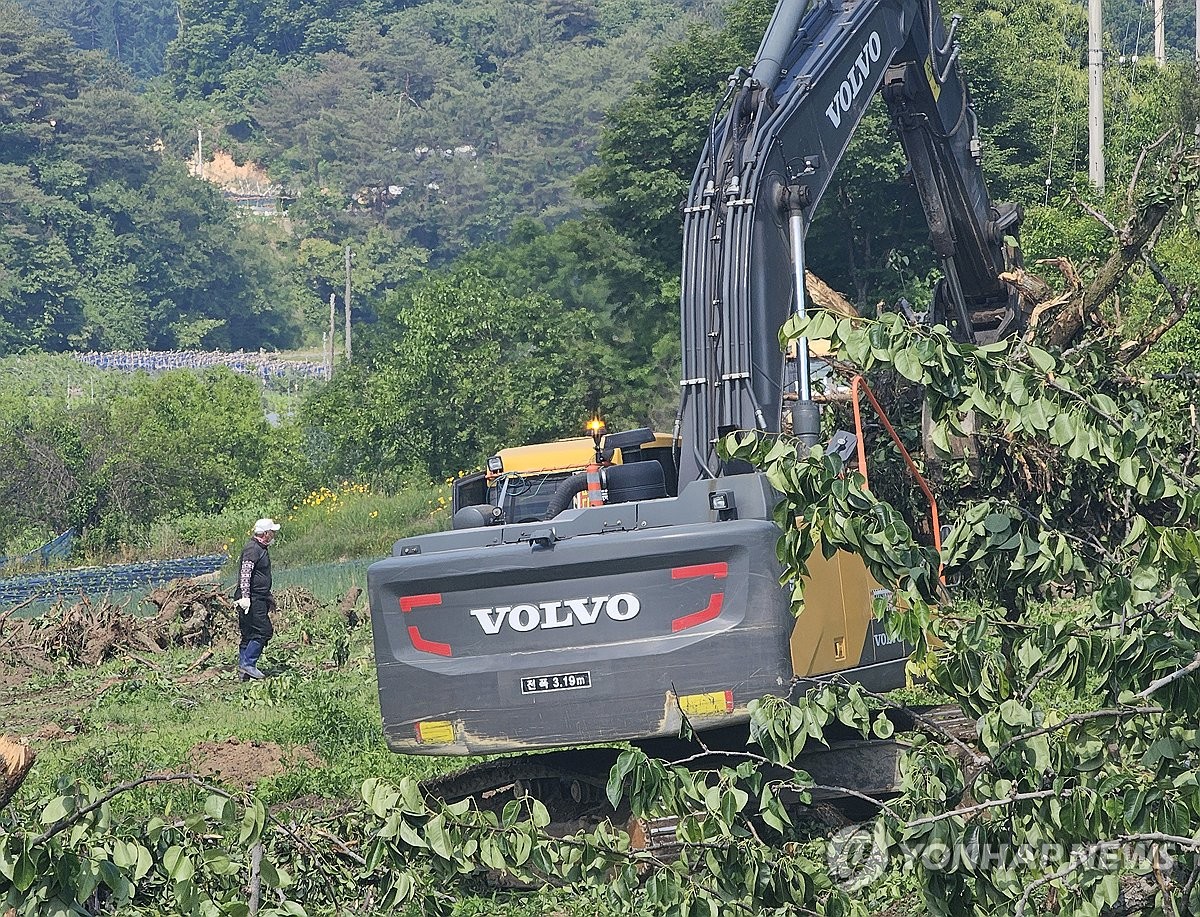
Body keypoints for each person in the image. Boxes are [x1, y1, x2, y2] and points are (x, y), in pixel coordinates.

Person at [234, 518, 280, 680]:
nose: (274, 534)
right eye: (272, 532)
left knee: (248, 633)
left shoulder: (260, 548)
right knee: (263, 631)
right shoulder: (252, 549)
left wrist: (268, 597)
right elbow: (245, 575)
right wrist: (246, 597)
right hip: (251, 599)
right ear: (266, 534)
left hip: (258, 597)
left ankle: (243, 670)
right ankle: (248, 663)